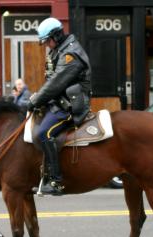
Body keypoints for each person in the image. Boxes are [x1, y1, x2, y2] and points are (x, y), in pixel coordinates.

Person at [27, 17, 92, 195]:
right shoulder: (58, 51)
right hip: (59, 102)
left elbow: (56, 83)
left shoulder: (71, 55)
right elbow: (50, 82)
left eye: (47, 40)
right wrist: (38, 98)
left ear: (56, 35)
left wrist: (35, 100)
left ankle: (56, 181)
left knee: (43, 133)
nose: (46, 44)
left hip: (72, 105)